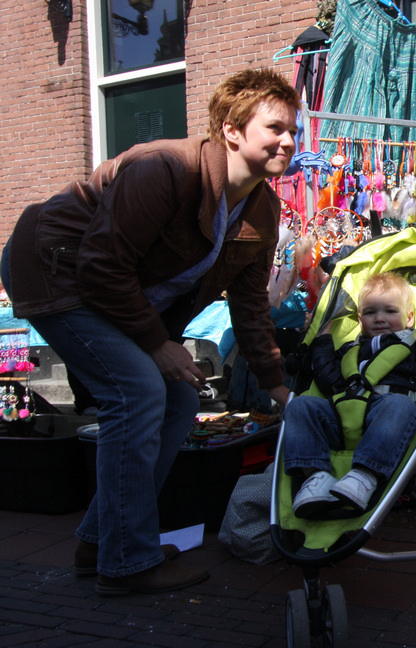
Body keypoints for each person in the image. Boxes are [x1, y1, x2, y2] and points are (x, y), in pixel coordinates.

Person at [0, 68, 301, 595]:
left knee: (179, 402)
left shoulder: (262, 208)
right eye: (275, 128)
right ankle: (128, 561)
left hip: (110, 288)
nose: (289, 141)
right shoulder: (165, 168)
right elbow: (100, 265)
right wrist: (156, 344)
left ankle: (102, 539)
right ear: (231, 130)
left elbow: (250, 305)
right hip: (55, 267)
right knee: (137, 392)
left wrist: (278, 387)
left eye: (293, 130)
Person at [284, 272, 416, 517]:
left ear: (410, 317)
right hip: (340, 417)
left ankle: (364, 476)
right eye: (370, 313)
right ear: (360, 319)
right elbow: (329, 381)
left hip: (388, 423)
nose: (379, 318)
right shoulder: (350, 349)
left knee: (401, 406)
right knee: (299, 405)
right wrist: (323, 341)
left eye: (390, 311)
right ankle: (316, 477)